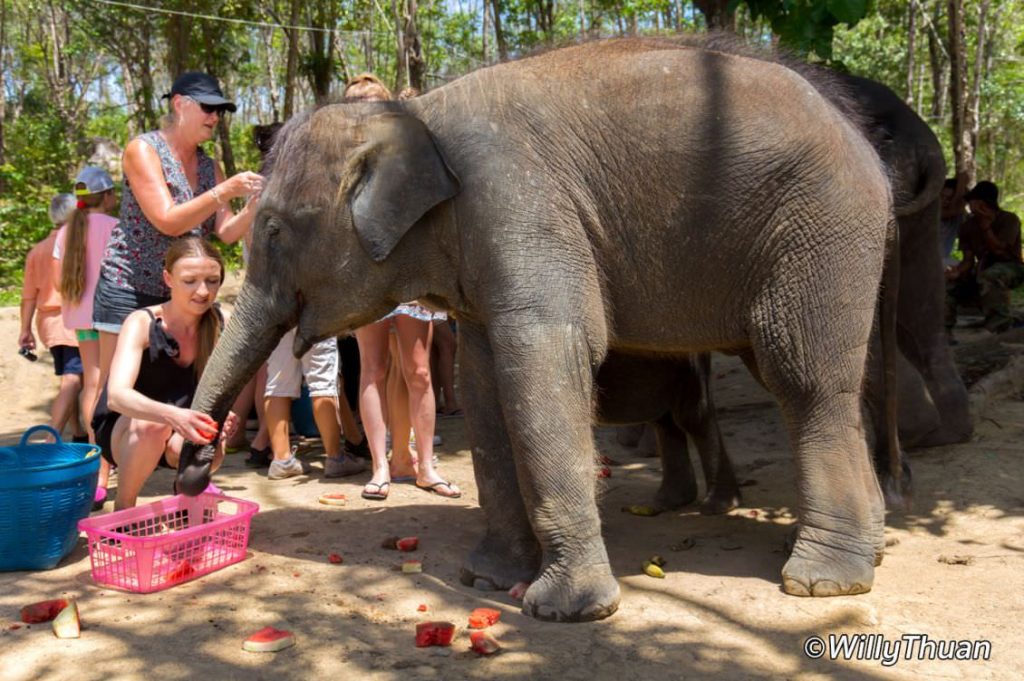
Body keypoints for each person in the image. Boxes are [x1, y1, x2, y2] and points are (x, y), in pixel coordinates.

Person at [92, 71, 264, 393]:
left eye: (220, 111)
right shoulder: (143, 150)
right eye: (208, 108)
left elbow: (225, 232)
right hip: (129, 286)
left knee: (169, 390)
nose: (215, 117)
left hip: (180, 292)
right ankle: (97, 446)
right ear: (180, 104)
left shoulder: (209, 166)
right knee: (112, 391)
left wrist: (254, 207)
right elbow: (167, 220)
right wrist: (224, 191)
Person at [344, 74, 460, 501]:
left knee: (419, 371)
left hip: (411, 274)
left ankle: (425, 465)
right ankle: (379, 468)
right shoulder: (341, 158)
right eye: (359, 103)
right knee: (371, 369)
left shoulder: (408, 153)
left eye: (375, 102)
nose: (368, 109)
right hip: (366, 277)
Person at [92, 237, 238, 510]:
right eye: (190, 281)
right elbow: (116, 397)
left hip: (183, 431)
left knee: (209, 430)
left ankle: (186, 494)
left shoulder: (222, 321)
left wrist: (225, 415)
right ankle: (125, 510)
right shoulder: (142, 322)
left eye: (212, 281)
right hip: (127, 431)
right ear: (168, 279)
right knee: (152, 424)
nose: (203, 291)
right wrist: (173, 415)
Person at [54, 167, 119, 506]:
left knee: (91, 382)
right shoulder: (115, 227)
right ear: (107, 196)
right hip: (110, 316)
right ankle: (105, 468)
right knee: (106, 383)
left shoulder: (66, 231)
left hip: (81, 317)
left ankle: (96, 463)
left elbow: (57, 280)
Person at [19, 194, 86, 442]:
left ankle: (78, 433)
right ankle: (52, 438)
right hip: (72, 320)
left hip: (48, 324)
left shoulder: (37, 251)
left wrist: (25, 330)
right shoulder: (77, 244)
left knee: (72, 377)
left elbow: (28, 296)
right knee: (74, 379)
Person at [945, 180, 1024, 335]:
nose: (971, 205)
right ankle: (944, 330)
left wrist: (985, 226)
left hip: (1012, 267)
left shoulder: (1009, 219)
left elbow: (1000, 251)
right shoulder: (967, 226)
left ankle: (999, 328)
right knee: (950, 283)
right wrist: (957, 272)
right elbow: (968, 259)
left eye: (974, 201)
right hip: (983, 269)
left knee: (990, 276)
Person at [939, 172, 968, 263]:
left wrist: (961, 184)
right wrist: (962, 182)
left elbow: (960, 203)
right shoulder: (930, 211)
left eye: (948, 198)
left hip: (942, 260)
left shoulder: (958, 217)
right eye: (942, 196)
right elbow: (955, 209)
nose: (944, 201)